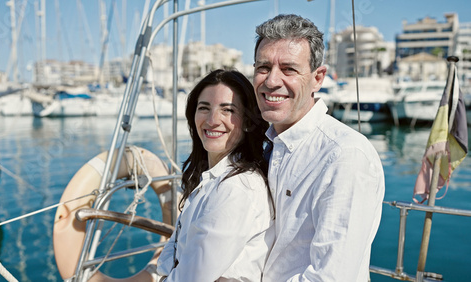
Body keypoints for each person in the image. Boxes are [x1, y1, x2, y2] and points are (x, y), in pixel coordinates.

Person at [252, 14, 385, 281]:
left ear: (318, 78)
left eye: (288, 69)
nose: (271, 81)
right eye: (263, 67)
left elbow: (331, 277)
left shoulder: (344, 157)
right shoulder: (266, 144)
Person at [157, 69, 275, 281]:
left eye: (227, 110)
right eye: (204, 108)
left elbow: (193, 277)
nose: (212, 120)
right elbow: (173, 256)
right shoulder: (211, 179)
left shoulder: (238, 188)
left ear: (248, 122)